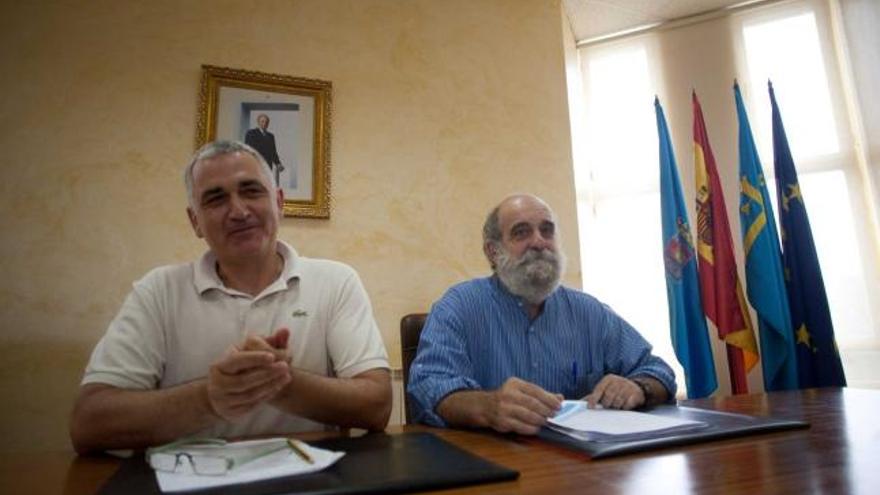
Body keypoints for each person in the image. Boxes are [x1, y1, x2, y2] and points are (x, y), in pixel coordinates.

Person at [70, 140, 391, 454]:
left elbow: (377, 405)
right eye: (215, 199)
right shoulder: (158, 291)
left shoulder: (336, 281)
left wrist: (279, 382)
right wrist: (210, 398)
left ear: (279, 202)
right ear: (195, 221)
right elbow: (89, 423)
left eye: (251, 191)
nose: (238, 211)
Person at [407, 194, 676, 435]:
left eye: (547, 231)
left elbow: (658, 372)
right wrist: (488, 406)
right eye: (521, 232)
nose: (539, 242)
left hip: (579, 470)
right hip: (489, 468)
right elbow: (427, 388)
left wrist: (639, 388)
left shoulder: (588, 312)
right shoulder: (459, 307)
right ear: (493, 251)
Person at [244, 114, 284, 185]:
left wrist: (278, 163)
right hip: (256, 163)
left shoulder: (271, 136)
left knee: (265, 184)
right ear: (258, 122)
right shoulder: (251, 133)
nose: (264, 124)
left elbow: (273, 152)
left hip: (268, 165)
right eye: (262, 121)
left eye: (266, 122)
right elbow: (248, 149)